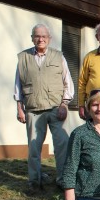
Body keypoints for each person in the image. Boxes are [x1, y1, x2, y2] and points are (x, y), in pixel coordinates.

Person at [14, 23, 74, 190]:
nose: (40, 39)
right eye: (37, 36)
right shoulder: (23, 58)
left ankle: (63, 181)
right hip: (33, 109)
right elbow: (18, 85)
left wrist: (64, 104)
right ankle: (34, 181)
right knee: (34, 148)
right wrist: (19, 108)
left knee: (62, 146)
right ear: (32, 38)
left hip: (56, 109)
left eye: (44, 36)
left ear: (49, 39)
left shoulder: (58, 56)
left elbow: (67, 82)